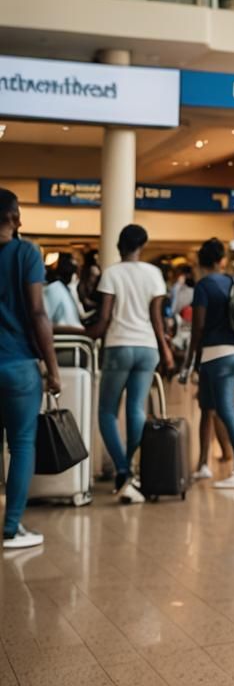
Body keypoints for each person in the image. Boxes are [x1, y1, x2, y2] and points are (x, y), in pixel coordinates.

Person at [92, 224, 174, 503]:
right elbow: (157, 318)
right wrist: (165, 350)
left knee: (106, 413)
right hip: (148, 346)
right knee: (136, 408)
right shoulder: (154, 274)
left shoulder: (112, 274)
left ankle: (123, 469)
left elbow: (103, 320)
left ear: (119, 245)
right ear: (143, 245)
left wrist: (82, 332)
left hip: (119, 345)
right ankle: (135, 472)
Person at [0, 189, 61, 549]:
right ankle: (11, 529)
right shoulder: (26, 253)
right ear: (12, 216)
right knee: (22, 444)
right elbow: (38, 312)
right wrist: (52, 367)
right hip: (19, 364)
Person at [183, 238, 234, 489]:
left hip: (216, 357)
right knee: (207, 406)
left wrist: (189, 361)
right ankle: (203, 464)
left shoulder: (203, 285)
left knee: (224, 409)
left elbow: (198, 327)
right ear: (221, 261)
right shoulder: (233, 281)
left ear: (201, 262)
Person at [44, 253, 86, 334]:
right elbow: (44, 321)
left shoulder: (62, 289)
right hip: (68, 337)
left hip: (72, 336)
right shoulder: (56, 289)